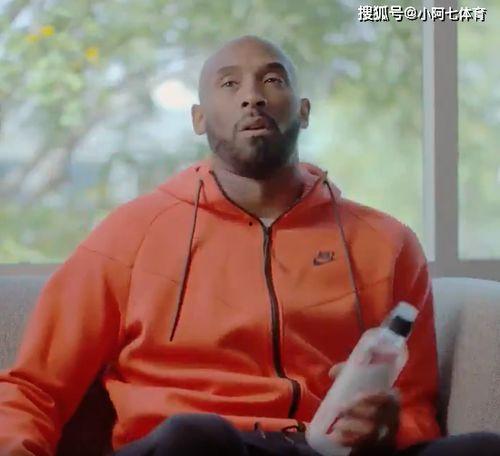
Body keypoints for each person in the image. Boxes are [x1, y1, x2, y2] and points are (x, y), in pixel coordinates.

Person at [0, 35, 499, 456]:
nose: (252, 97)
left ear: (304, 111)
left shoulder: (387, 244)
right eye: (229, 84)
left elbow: (414, 409)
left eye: (272, 81)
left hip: (323, 450)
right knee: (195, 436)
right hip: (195, 446)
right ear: (199, 118)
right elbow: (33, 389)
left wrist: (387, 429)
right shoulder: (130, 234)